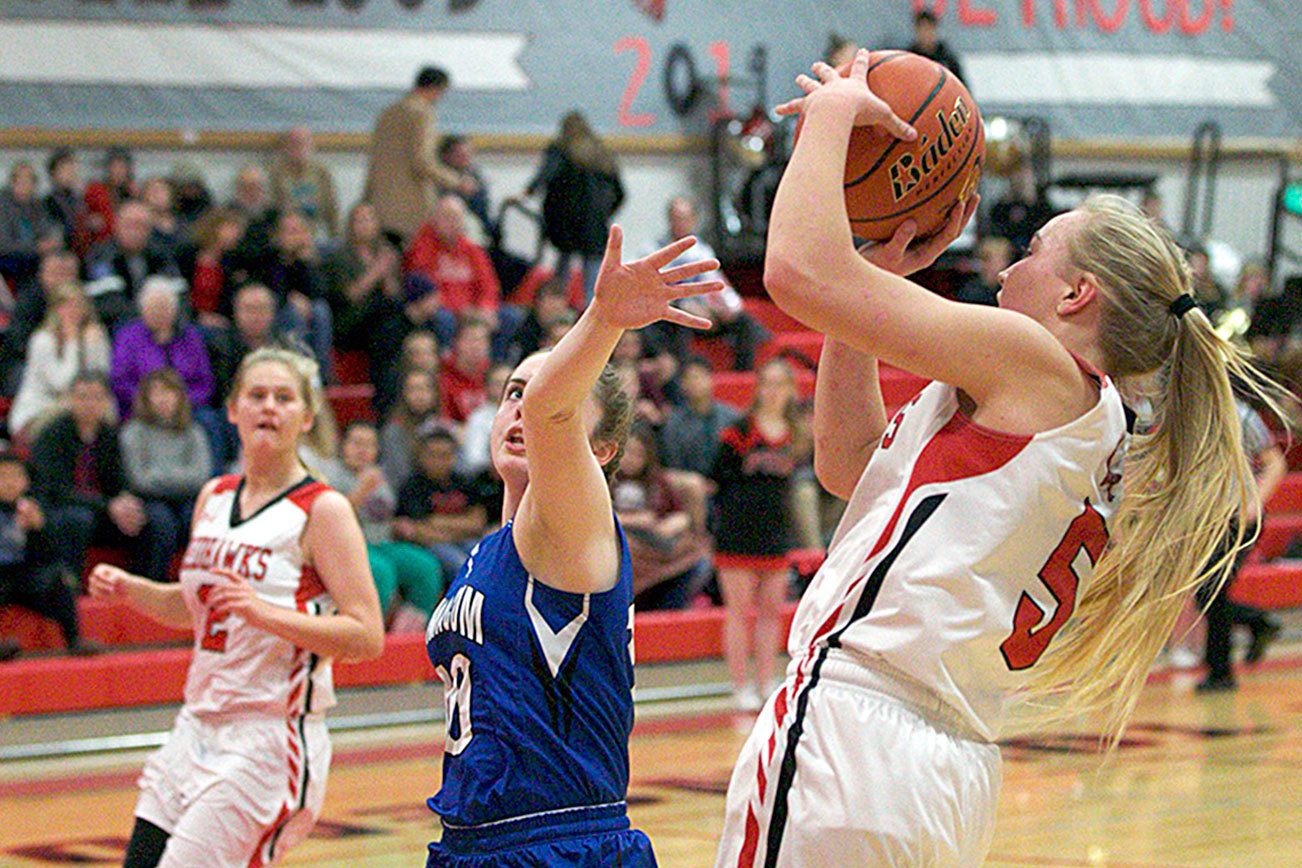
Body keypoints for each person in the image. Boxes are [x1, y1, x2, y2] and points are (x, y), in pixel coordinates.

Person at [715, 51, 1273, 866]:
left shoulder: (1033, 362)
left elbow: (795, 271)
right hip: (943, 767)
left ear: (1077, 294)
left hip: (854, 732)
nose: (1009, 263)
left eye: (1037, 249)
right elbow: (850, 469)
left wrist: (836, 112)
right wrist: (863, 296)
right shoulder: (1080, 415)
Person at [423, 223, 718, 866]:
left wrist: (604, 318)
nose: (524, 410)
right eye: (513, 395)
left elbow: (554, 410)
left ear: (603, 450)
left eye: (548, 395)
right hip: (474, 842)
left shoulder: (573, 527)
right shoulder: (494, 550)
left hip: (560, 843)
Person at [88, 345, 384, 867]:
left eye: (284, 398)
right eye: (257, 395)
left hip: (269, 738)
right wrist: (133, 588)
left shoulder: (322, 509)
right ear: (232, 409)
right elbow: (197, 607)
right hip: (196, 726)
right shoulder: (215, 495)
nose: (269, 406)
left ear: (307, 416)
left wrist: (262, 612)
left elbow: (366, 635)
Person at [711, 358, 809, 711]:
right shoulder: (739, 429)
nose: (772, 390)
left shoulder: (796, 435)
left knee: (771, 612)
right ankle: (739, 686)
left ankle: (766, 681)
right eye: (766, 382)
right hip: (737, 531)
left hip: (776, 532)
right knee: (738, 612)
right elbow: (716, 474)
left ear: (790, 390)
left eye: (780, 383)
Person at [1194, 394, 1287, 691]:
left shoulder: (1241, 414)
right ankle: (1258, 622)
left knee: (1211, 591)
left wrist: (1254, 505)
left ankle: (1221, 672)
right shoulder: (1187, 415)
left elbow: (1275, 463)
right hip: (1207, 519)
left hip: (1238, 518)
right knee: (1208, 593)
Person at [320, 420, 444, 623]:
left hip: (383, 543)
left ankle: (407, 631)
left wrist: (398, 524)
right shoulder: (331, 474)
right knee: (381, 571)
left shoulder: (380, 475)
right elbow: (329, 520)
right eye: (357, 443)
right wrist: (361, 491)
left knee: (425, 566)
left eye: (369, 445)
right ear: (343, 446)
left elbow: (381, 514)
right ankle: (369, 632)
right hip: (348, 547)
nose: (363, 450)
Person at [645, 196, 769, 370]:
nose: (681, 223)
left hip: (706, 311)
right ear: (669, 220)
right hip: (674, 312)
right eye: (677, 218)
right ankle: (684, 376)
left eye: (685, 218)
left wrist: (727, 307)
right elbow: (652, 291)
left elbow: (716, 283)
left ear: (693, 220)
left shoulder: (703, 250)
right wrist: (683, 304)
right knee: (679, 322)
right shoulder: (654, 250)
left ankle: (742, 374)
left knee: (744, 322)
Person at [120, 368, 213, 580]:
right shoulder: (134, 431)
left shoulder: (194, 432)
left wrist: (159, 475)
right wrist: (180, 476)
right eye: (157, 393)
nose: (164, 399)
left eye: (169, 392)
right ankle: (153, 580)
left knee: (198, 518)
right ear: (146, 398)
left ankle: (198, 583)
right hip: (149, 499)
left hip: (187, 498)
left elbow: (201, 476)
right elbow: (138, 479)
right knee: (161, 523)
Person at [524, 111, 625, 305]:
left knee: (562, 269)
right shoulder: (601, 153)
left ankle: (556, 307)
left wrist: (529, 191)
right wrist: (604, 214)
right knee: (593, 277)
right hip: (594, 225)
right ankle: (592, 313)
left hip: (565, 224)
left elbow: (547, 174)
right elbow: (620, 193)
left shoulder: (560, 150)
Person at [365, 66, 473, 247]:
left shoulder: (388, 112)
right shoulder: (422, 113)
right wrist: (456, 181)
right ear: (436, 89)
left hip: (379, 203)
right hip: (409, 206)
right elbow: (422, 162)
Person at [405, 194, 521, 361]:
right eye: (446, 217)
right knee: (444, 320)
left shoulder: (472, 250)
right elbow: (425, 290)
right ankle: (446, 367)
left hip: (473, 310)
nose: (452, 223)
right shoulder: (423, 247)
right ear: (435, 220)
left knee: (511, 316)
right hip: (445, 311)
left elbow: (489, 286)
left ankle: (496, 365)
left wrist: (486, 308)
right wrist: (461, 310)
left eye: (456, 218)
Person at [0, 450, 93, 656]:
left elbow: (51, 556)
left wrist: (38, 529)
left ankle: (74, 640)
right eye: (3, 476)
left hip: (24, 574)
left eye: (15, 476)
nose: (9, 483)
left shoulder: (33, 508)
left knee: (58, 579)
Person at [8, 280, 112, 442]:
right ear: (55, 309)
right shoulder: (42, 340)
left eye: (78, 305)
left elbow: (101, 378)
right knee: (70, 417)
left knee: (108, 412)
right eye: (66, 306)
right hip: (42, 407)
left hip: (82, 403)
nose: (73, 312)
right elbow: (63, 384)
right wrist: (74, 342)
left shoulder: (94, 335)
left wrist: (92, 346)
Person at [269, 126, 339, 242]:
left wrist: (335, 238)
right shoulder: (274, 174)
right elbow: (269, 211)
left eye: (302, 143)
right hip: (284, 237)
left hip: (316, 235)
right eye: (293, 143)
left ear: (311, 146)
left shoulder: (322, 173)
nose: (298, 148)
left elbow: (332, 208)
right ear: (285, 147)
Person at [83, 147, 137, 245]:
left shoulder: (133, 193)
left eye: (122, 167)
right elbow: (82, 219)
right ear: (108, 168)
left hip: (128, 244)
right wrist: (89, 221)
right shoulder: (95, 190)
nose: (118, 171)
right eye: (114, 167)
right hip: (101, 244)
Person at [908, 9, 966, 84]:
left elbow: (961, 87)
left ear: (934, 29)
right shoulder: (910, 59)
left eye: (928, 28)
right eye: (922, 29)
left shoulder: (947, 58)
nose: (926, 34)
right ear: (917, 30)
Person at [955, 235, 1013, 306]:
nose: (1001, 263)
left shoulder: (1011, 291)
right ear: (984, 262)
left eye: (1003, 259)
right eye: (995, 260)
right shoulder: (970, 292)